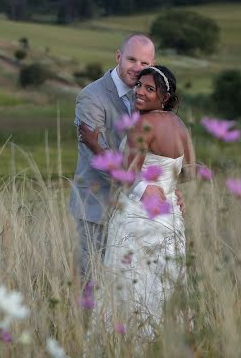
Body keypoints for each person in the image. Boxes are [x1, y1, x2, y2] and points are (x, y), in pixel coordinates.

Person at [94, 65, 195, 339]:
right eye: (139, 85)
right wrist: (171, 188)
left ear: (164, 96)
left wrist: (144, 188)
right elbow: (190, 170)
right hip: (171, 217)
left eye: (149, 89)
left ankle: (129, 343)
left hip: (139, 215)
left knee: (131, 282)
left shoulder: (143, 123)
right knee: (164, 282)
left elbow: (126, 174)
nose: (140, 92)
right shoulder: (179, 125)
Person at [69, 33, 156, 283]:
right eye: (131, 59)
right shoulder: (92, 96)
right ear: (118, 56)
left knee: (128, 283)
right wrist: (142, 188)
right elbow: (98, 152)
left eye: (145, 64)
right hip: (97, 206)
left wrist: (167, 189)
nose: (137, 68)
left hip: (134, 211)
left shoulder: (148, 97)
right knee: (93, 281)